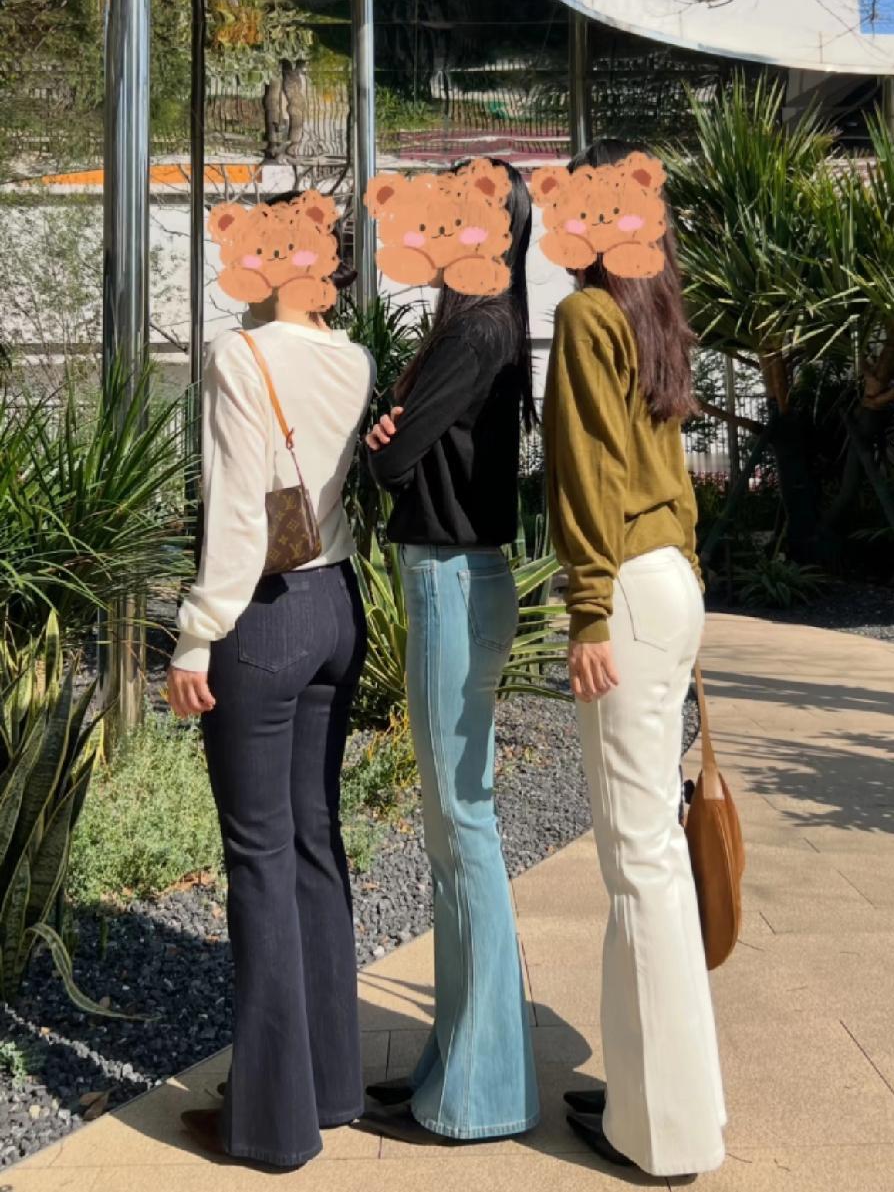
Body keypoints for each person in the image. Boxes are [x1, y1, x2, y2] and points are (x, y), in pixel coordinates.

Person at [166, 198, 375, 1170]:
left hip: (262, 615)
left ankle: (272, 1126)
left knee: (257, 858)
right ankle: (332, 1087)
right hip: (336, 603)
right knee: (313, 845)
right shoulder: (352, 359)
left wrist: (194, 635)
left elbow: (239, 518)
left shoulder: (237, 358)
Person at [542, 140, 726, 1178]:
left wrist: (585, 611)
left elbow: (588, 473)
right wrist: (683, 577)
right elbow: (670, 472)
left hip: (622, 585)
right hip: (670, 580)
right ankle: (658, 1106)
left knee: (638, 862)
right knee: (648, 853)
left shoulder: (583, 317)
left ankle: (660, 1132)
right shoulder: (653, 316)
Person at [360, 158, 540, 1145]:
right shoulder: (487, 324)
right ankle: (454, 1063)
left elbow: (392, 456)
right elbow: (406, 443)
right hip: (468, 576)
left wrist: (390, 430)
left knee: (461, 830)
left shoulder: (472, 330)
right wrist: (399, 427)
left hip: (448, 579)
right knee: (453, 831)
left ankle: (482, 1089)